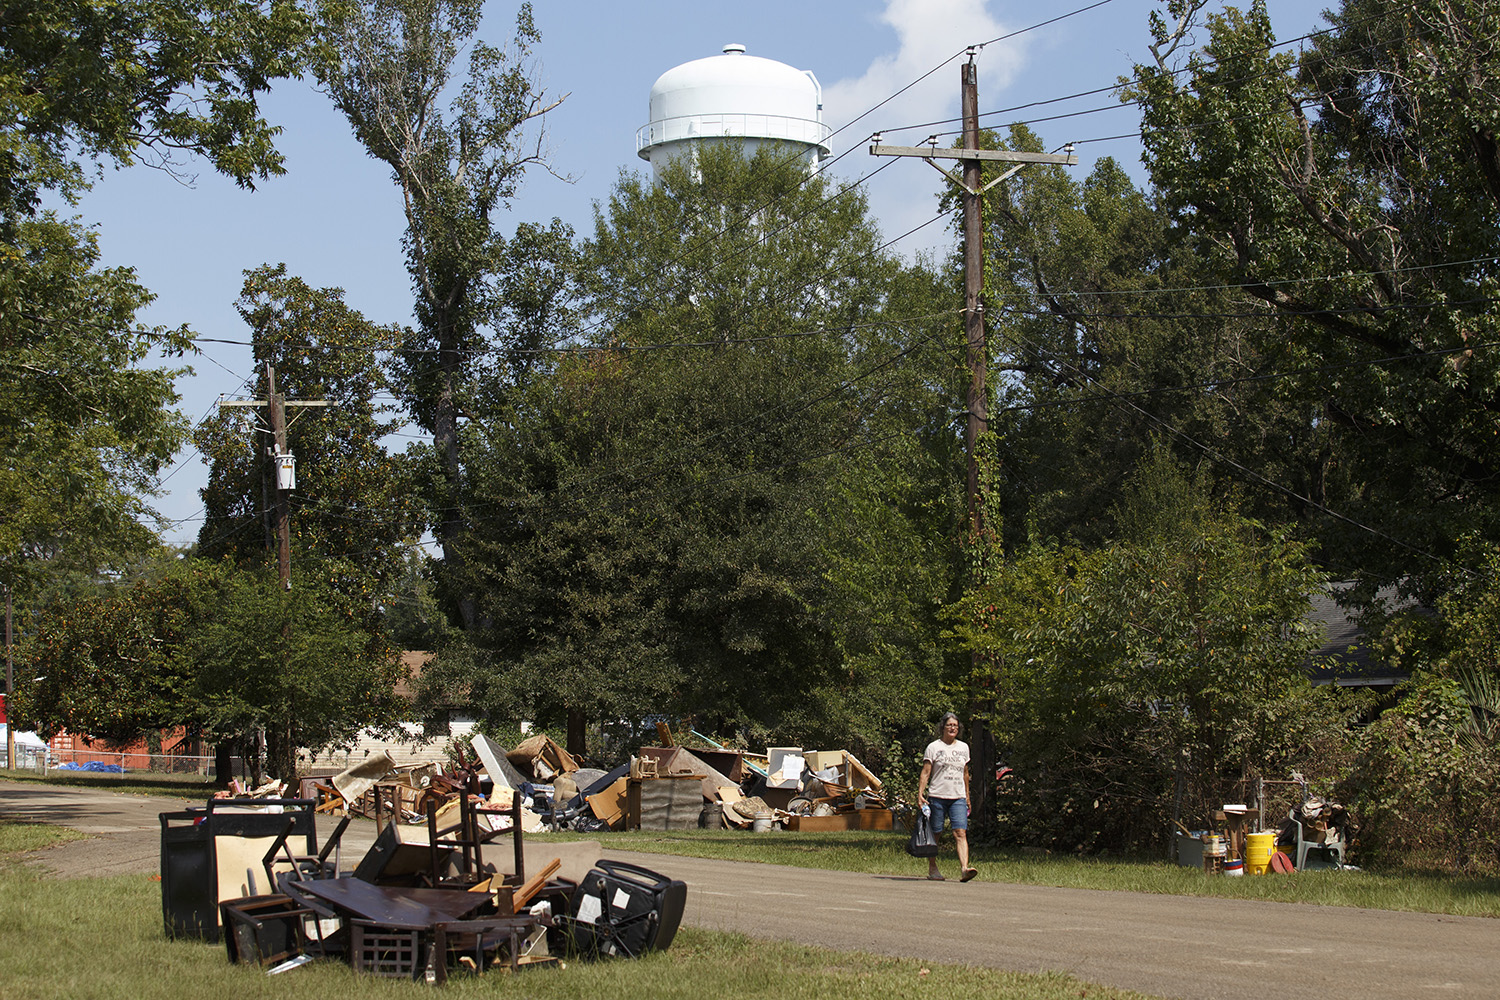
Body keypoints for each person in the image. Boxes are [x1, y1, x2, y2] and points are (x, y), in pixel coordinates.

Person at [917, 712, 977, 882]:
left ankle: (965, 869)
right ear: (943, 727)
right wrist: (920, 794)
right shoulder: (934, 747)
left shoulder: (963, 748)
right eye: (949, 725)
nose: (952, 728)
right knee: (936, 833)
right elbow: (926, 772)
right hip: (937, 796)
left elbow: (965, 773)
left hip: (957, 796)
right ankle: (933, 868)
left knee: (960, 832)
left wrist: (967, 796)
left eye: (955, 726)